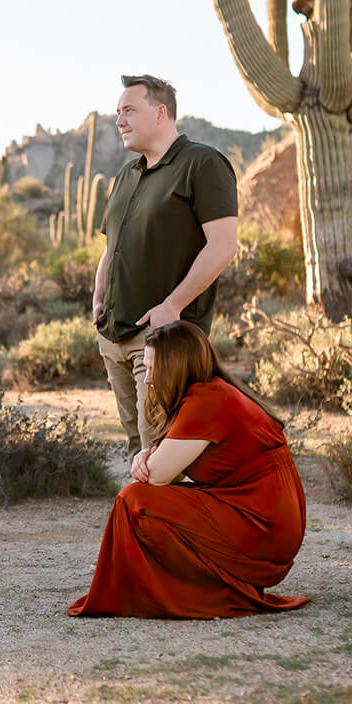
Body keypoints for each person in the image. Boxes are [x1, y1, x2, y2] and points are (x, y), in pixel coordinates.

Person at [68, 320, 309, 619]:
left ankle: (179, 591)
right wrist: (146, 455)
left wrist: (144, 459)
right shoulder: (209, 393)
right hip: (261, 517)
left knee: (133, 502)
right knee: (141, 498)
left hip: (262, 526)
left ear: (177, 368)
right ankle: (189, 588)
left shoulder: (209, 400)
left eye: (153, 369)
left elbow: (157, 476)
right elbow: (167, 468)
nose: (148, 379)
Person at [93, 74, 241, 456]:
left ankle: (172, 515)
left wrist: (172, 306)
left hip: (163, 339)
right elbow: (113, 245)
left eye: (129, 110)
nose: (119, 121)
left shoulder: (203, 164)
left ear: (161, 113)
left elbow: (223, 246)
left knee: (159, 448)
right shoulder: (127, 175)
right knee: (136, 448)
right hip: (113, 335)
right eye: (117, 112)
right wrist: (98, 297)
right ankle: (141, 516)